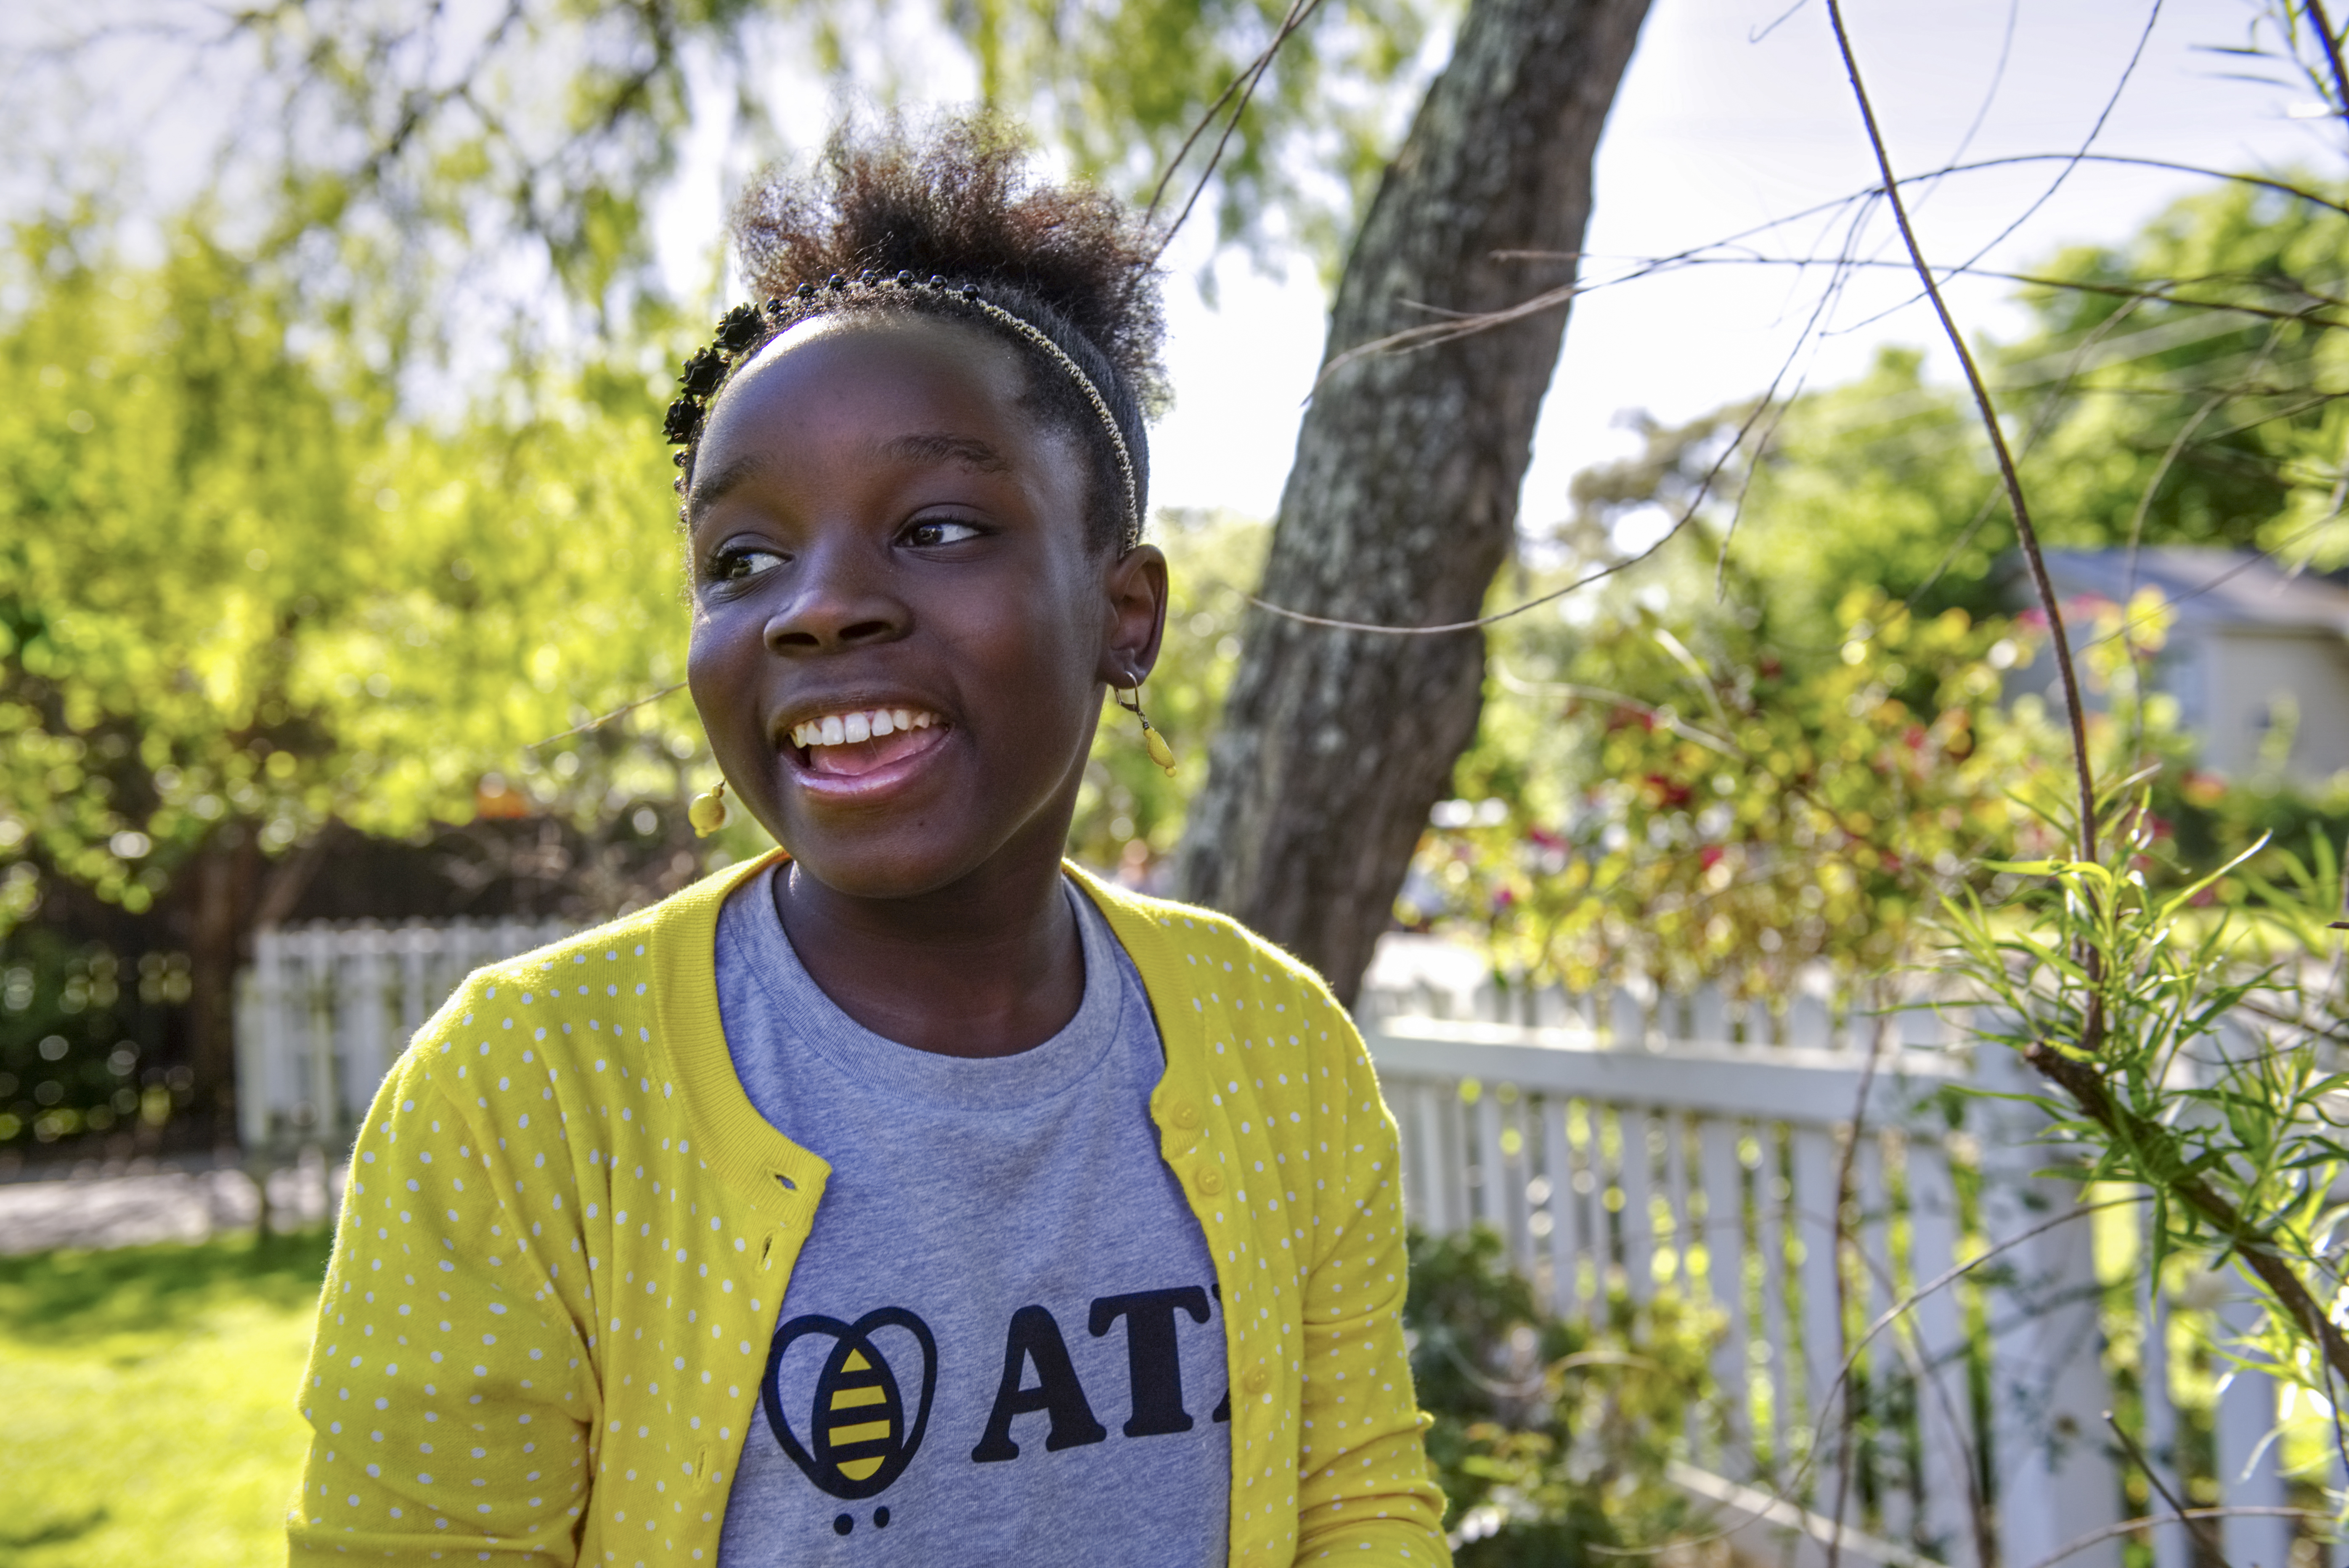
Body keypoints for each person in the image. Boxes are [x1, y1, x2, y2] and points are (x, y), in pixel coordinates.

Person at [286, 111, 1448, 1568]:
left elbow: (1360, 1507)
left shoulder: (1281, 1048)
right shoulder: (525, 1092)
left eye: (938, 527)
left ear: (1126, 615)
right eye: (744, 559)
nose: (818, 607)